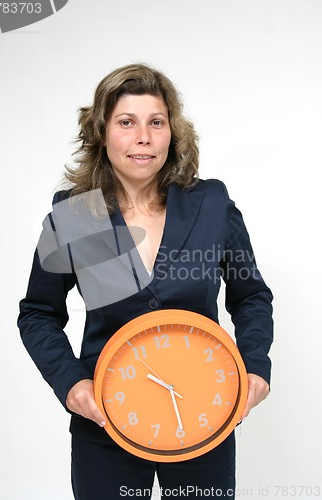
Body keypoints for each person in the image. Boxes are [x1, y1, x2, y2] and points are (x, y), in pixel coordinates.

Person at [18, 63, 273, 499]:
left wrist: (255, 366)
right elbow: (38, 313)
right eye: (126, 122)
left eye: (156, 122)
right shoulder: (74, 217)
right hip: (106, 424)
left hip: (203, 415)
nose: (144, 136)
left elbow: (251, 296)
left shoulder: (212, 203)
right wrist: (72, 383)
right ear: (102, 132)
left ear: (171, 131)